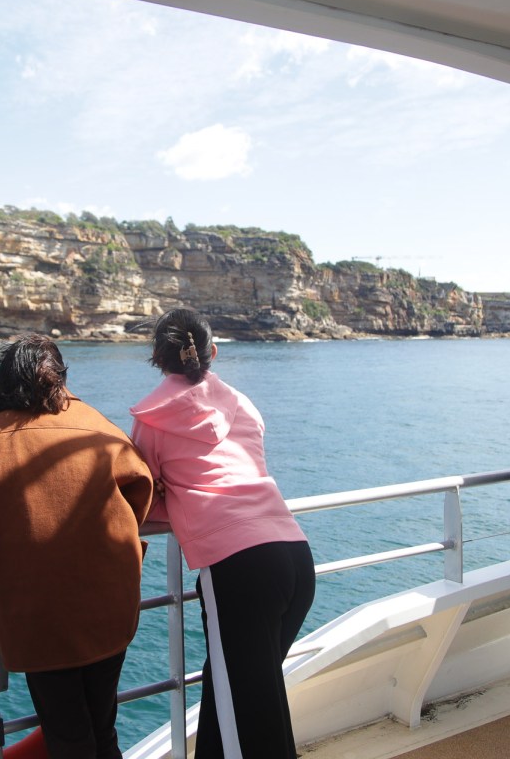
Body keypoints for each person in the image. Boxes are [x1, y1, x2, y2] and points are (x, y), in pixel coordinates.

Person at [129, 308, 315, 759]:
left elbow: (142, 498)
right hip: (293, 555)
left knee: (253, 723)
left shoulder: (151, 420)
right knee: (238, 694)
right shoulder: (242, 403)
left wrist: (171, 499)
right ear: (212, 352)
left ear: (157, 358)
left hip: (239, 568)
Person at [0, 334, 153, 759]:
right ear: (61, 376)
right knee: (103, 727)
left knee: (67, 734)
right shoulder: (99, 425)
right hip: (108, 600)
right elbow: (141, 491)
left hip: (38, 614)